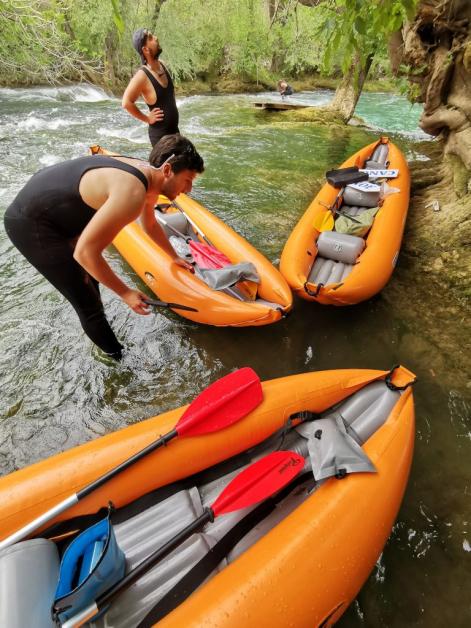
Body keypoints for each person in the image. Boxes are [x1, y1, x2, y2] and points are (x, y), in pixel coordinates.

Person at [4, 134, 204, 360]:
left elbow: (149, 224)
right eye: (188, 180)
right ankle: (119, 361)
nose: (189, 189)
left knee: (91, 280)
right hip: (31, 224)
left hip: (54, 210)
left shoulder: (148, 174)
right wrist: (126, 293)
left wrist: (173, 256)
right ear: (167, 170)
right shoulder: (132, 192)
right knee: (88, 304)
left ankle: (101, 333)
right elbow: (85, 253)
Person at [122, 28, 180, 147]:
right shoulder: (142, 76)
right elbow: (126, 102)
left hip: (174, 132)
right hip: (161, 138)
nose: (156, 38)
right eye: (150, 38)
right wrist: (147, 119)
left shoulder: (162, 64)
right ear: (145, 49)